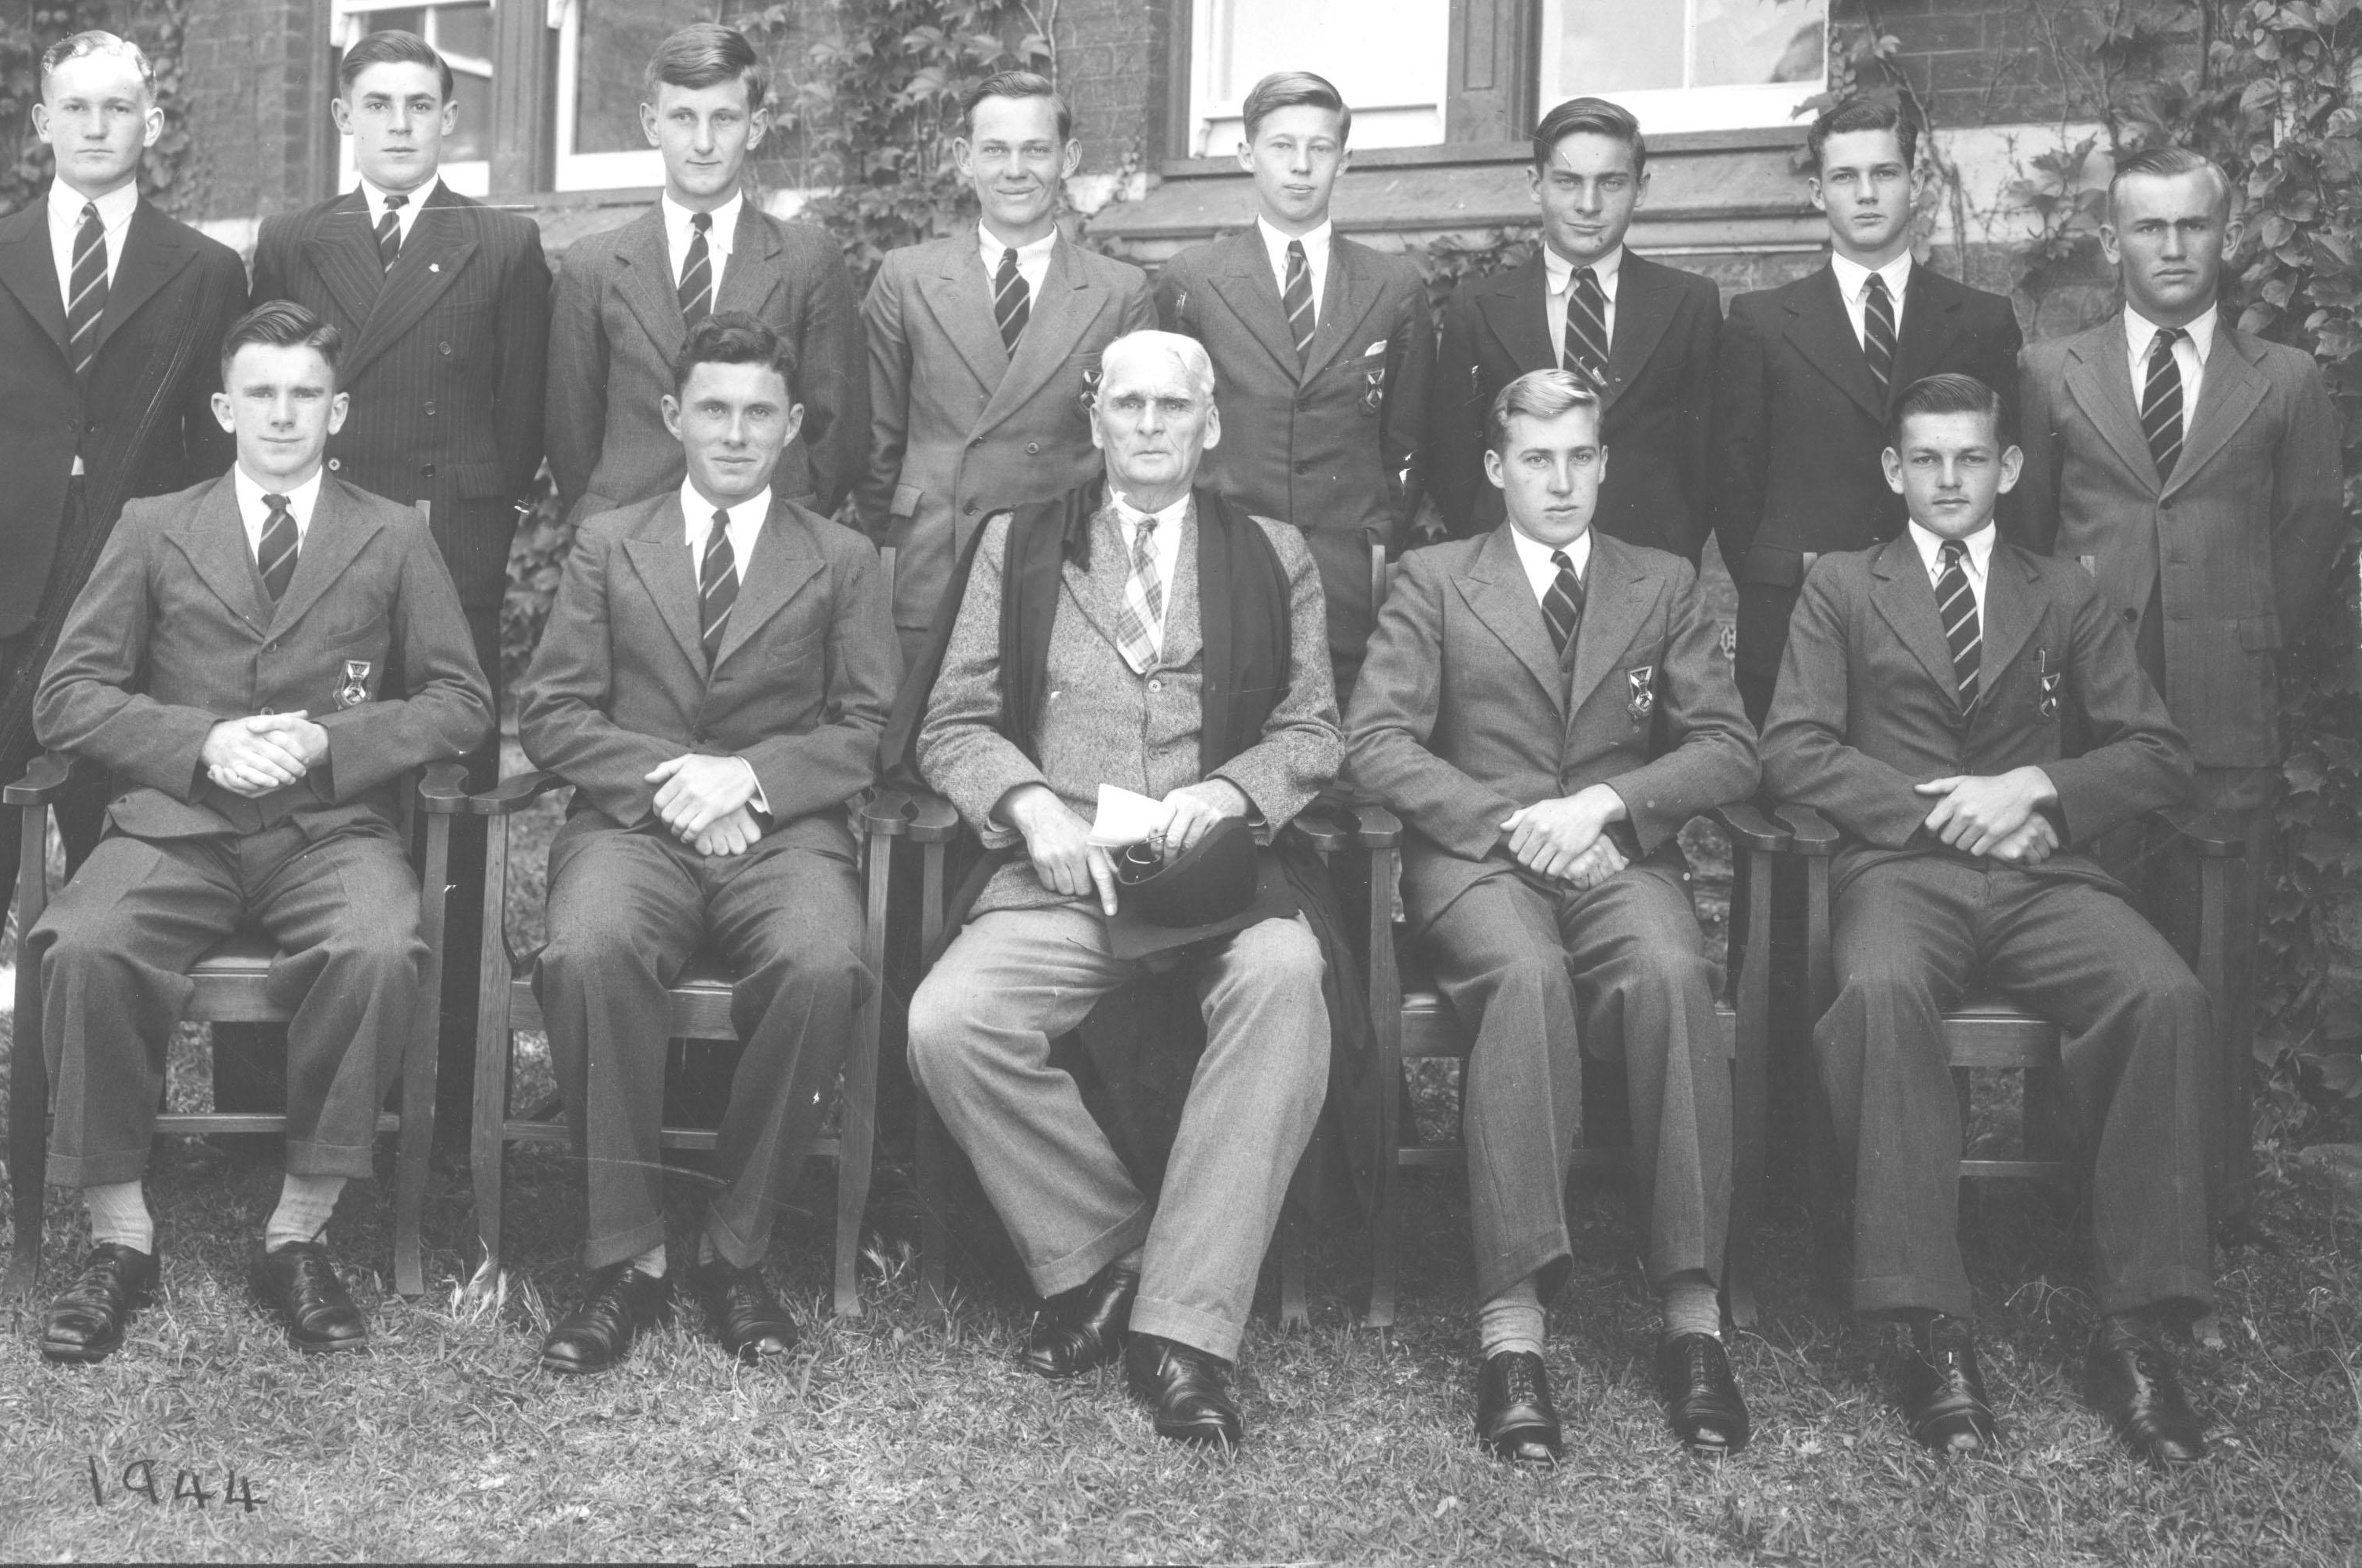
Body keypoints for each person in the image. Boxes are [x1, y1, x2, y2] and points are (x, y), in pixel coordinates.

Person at [24, 300, 493, 1364]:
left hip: (328, 831)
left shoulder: (393, 532)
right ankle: (120, 1236)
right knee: (85, 943)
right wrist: (200, 741)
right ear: (225, 408)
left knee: (377, 946)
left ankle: (298, 1231)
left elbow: (462, 700)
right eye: (262, 394)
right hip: (176, 825)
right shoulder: (154, 524)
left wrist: (333, 742)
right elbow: (67, 695)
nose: (284, 415)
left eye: (306, 395)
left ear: (339, 411)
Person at [1761, 372, 2217, 1466]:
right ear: (1893, 470)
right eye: (1926, 459)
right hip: (1900, 874)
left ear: (2007, 468)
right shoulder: (1843, 587)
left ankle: (2135, 1326)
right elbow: (1793, 749)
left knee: (2162, 992)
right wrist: (1950, 814)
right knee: (1877, 992)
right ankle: (1928, 1323)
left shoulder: (2060, 588)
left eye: (1971, 457)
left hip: (2039, 877)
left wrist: (2038, 788)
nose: (1949, 479)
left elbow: (2156, 752)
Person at [905, 330, 1340, 1451]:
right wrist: (1028, 806)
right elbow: (952, 723)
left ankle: (1184, 1333)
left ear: (1211, 424)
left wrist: (1233, 792)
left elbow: (1311, 728)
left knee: (1287, 978)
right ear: (1094, 420)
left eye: (1173, 406)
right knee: (950, 1022)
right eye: (1128, 404)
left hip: (1217, 878)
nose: (1149, 424)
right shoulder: (1020, 545)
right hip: (1068, 876)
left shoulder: (1271, 552)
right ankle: (1108, 1253)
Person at [0, 30, 248, 1178]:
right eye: (74, 106)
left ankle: (130, 1123)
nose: (95, 126)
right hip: (1, 592)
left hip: (139, 601)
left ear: (151, 124)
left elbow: (204, 452)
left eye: (118, 106)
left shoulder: (203, 270)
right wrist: (14, 532)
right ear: (42, 122)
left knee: (136, 852)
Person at [1347, 369, 1759, 1463]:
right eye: (1537, 459)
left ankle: (1693, 1314)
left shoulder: (1662, 581)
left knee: (1671, 971)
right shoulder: (1438, 580)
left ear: (1605, 462)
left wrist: (1609, 805)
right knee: (1525, 978)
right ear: (1496, 468)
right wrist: (1512, 822)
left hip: (1615, 854)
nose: (1562, 480)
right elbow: (1375, 741)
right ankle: (1513, 1326)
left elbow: (1727, 745)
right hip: (1481, 863)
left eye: (1580, 456)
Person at [516, 315, 899, 1372]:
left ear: (793, 425)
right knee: (587, 949)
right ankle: (627, 1255)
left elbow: (869, 724)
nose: (735, 433)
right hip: (634, 829)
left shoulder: (840, 557)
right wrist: (681, 782)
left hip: (781, 836)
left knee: (823, 962)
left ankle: (735, 1248)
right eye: (715, 410)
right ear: (672, 415)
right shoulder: (608, 542)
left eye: (758, 413)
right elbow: (551, 710)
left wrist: (755, 780)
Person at [2005, 144, 2342, 1216]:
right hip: (2091, 721)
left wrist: (2239, 637)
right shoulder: (2050, 370)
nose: (2171, 246)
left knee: (2217, 959)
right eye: (2147, 226)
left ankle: (2210, 1195)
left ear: (2224, 235)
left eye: (2193, 224)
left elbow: (2308, 536)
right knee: (2087, 946)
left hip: (2223, 713)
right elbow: (2029, 540)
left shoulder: (2283, 378)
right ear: (2111, 241)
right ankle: (2074, 1192)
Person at [246, 26, 553, 1138]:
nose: (399, 124)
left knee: (444, 811)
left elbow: (521, 421)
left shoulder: (502, 243)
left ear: (448, 120)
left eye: (420, 105)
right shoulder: (294, 238)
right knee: (305, 796)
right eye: (377, 104)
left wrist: (464, 533)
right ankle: (289, 1088)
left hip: (444, 557)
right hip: (315, 558)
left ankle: (447, 1095)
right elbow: (272, 381)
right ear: (343, 118)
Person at [1711, 93, 2024, 725]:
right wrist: (1782, 575)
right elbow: (1734, 484)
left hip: (1944, 607)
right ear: (1817, 192)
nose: (1866, 193)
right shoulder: (1762, 322)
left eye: (1885, 172)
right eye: (1844, 177)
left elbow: (2006, 479)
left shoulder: (1981, 320)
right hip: (1798, 606)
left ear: (1916, 183)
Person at [1154, 69, 1442, 695]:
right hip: (1228, 558)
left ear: (1345, 159)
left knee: (1341, 721)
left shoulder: (1392, 284)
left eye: (1321, 147)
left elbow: (1408, 438)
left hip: (1348, 569)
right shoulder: (1194, 280)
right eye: (1282, 146)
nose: (1301, 166)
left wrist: (1376, 542)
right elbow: (1171, 433)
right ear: (1246, 154)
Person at [859, 70, 1153, 665]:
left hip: (1067, 569)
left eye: (1035, 150)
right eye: (995, 150)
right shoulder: (907, 277)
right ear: (964, 158)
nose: (1015, 170)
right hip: (934, 565)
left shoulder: (1119, 290)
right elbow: (876, 444)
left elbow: (1133, 454)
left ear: (1068, 158)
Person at [548, 23, 864, 527]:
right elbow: (570, 429)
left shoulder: (807, 258)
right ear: (651, 124)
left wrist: (789, 523)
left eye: (724, 118)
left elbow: (837, 428)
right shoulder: (594, 265)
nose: (703, 142)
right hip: (628, 533)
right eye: (682, 117)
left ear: (755, 127)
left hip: (768, 533)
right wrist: (607, 524)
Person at [1427, 97, 1720, 569]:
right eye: (1568, 181)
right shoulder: (1478, 306)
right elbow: (1454, 460)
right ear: (1535, 184)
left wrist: (1673, 548)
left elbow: (1705, 459)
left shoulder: (1689, 302)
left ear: (1641, 188)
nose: (1589, 205)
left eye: (1611, 182)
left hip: (1648, 565)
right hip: (1510, 569)